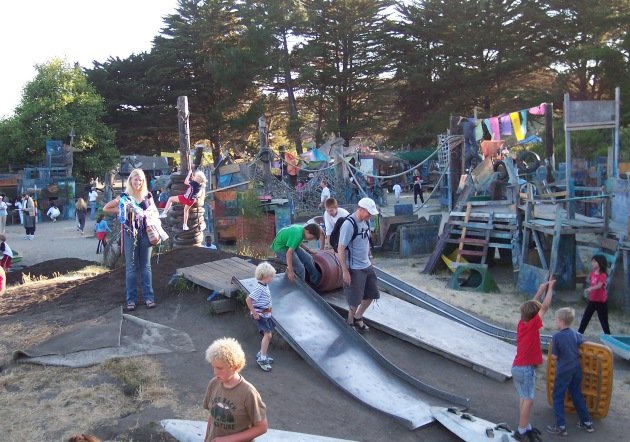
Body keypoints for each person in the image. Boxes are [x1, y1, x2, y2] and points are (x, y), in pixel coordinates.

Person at [103, 168, 158, 311]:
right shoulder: (124, 196)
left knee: (146, 266)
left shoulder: (148, 195)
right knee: (131, 267)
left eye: (140, 180)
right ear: (131, 180)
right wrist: (123, 210)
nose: (138, 182)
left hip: (145, 233)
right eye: (136, 179)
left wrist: (145, 214)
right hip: (129, 234)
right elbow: (106, 208)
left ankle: (149, 297)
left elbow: (154, 212)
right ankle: (131, 299)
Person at [511, 278, 556, 442]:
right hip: (526, 369)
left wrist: (540, 290)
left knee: (524, 397)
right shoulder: (532, 325)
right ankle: (521, 430)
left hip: (517, 367)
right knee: (528, 400)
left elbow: (531, 306)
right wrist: (550, 289)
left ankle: (524, 425)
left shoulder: (521, 323)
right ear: (535, 316)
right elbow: (545, 306)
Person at [202, 337, 268, 442]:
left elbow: (262, 427)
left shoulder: (248, 393)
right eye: (213, 367)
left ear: (235, 366)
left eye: (220, 368)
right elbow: (212, 417)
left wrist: (228, 440)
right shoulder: (214, 384)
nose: (215, 372)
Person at [546, 307, 594, 436]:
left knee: (558, 396)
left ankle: (560, 426)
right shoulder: (575, 334)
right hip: (576, 368)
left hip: (564, 370)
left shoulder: (557, 337)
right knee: (576, 394)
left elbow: (554, 356)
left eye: (556, 319)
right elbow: (582, 342)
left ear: (561, 321)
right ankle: (586, 422)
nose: (555, 321)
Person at [337, 197, 379, 332]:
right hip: (354, 268)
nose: (370, 216)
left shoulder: (366, 222)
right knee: (354, 299)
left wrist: (370, 258)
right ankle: (350, 323)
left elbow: (366, 242)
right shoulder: (349, 224)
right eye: (369, 213)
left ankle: (358, 316)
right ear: (361, 209)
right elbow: (341, 248)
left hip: (366, 265)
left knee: (372, 294)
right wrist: (345, 271)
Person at [246, 262, 277, 372]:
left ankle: (261, 353)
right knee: (268, 335)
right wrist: (254, 313)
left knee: (268, 335)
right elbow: (248, 300)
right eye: (271, 276)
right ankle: (262, 359)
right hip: (260, 316)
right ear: (264, 276)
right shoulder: (259, 288)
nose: (272, 278)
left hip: (266, 315)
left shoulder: (265, 285)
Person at [577, 254, 611, 335]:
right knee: (586, 317)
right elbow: (589, 282)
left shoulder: (603, 275)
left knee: (603, 320)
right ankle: (579, 333)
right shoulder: (592, 273)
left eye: (594, 262)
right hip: (592, 300)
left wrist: (591, 289)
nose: (592, 263)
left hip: (601, 302)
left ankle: (608, 335)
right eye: (592, 262)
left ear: (600, 263)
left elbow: (599, 285)